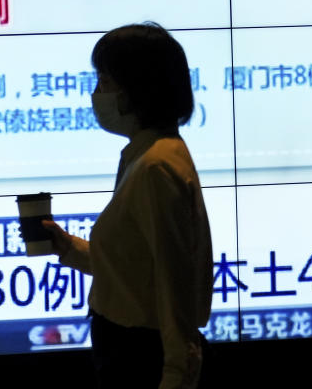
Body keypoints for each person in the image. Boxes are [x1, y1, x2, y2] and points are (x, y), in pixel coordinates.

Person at [42, 23, 214, 389]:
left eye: (104, 81)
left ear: (135, 90)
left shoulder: (155, 166)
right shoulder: (147, 155)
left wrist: (175, 376)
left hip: (140, 357)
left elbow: (173, 284)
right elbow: (134, 268)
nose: (96, 94)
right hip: (131, 351)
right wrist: (68, 248)